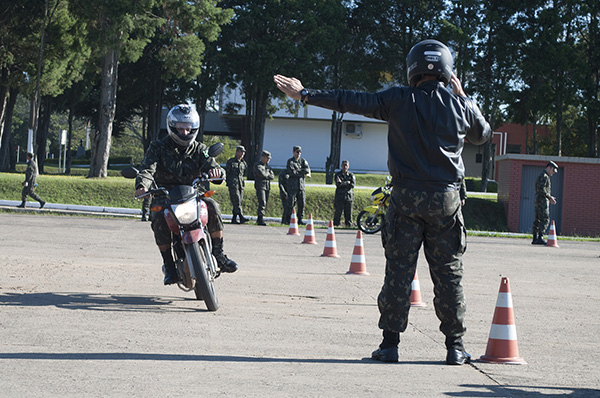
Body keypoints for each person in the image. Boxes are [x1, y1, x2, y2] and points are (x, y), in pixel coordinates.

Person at [274, 38, 491, 365]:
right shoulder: (460, 106)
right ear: (448, 71)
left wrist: (306, 94)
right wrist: (462, 96)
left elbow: (351, 100)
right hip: (445, 200)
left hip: (405, 198)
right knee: (449, 274)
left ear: (413, 69)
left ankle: (390, 345)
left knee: (398, 273)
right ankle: (455, 347)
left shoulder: (398, 99)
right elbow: (483, 133)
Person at [135, 104, 238, 285]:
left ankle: (219, 254)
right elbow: (147, 169)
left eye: (188, 128)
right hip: (165, 195)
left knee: (213, 206)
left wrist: (216, 172)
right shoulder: (157, 147)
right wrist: (142, 186)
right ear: (172, 127)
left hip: (193, 194)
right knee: (158, 215)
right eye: (180, 128)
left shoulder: (199, 149)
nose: (184, 132)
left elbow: (211, 163)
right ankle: (168, 265)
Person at [532, 161, 558, 244]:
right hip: (542, 200)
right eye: (553, 170)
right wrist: (549, 197)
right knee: (545, 219)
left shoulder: (543, 176)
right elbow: (541, 189)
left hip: (539, 199)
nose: (553, 173)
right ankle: (540, 236)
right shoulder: (544, 176)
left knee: (538, 219)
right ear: (549, 167)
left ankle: (535, 238)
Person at [285, 146, 311, 225]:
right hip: (292, 186)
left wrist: (298, 171)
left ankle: (300, 219)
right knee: (291, 203)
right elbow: (291, 171)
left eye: (299, 152)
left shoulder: (303, 161)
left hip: (301, 186)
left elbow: (307, 170)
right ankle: (288, 219)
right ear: (293, 152)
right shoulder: (290, 161)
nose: (298, 154)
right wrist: (301, 171)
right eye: (297, 152)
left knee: (301, 204)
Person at [225, 145, 249, 224]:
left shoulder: (243, 163)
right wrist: (228, 183)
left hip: (240, 183)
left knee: (238, 201)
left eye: (244, 152)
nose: (242, 154)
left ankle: (234, 218)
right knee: (237, 200)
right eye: (241, 152)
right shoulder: (231, 161)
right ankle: (241, 216)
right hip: (233, 183)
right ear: (237, 152)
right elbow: (227, 173)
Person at [253, 150, 275, 225]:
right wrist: (267, 174)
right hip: (260, 186)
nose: (268, 160)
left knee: (265, 202)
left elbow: (272, 176)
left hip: (267, 186)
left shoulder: (267, 166)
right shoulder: (258, 165)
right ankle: (260, 218)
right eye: (267, 158)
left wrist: (267, 175)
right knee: (262, 202)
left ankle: (261, 217)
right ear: (263, 157)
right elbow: (262, 174)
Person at [333, 160, 356, 227]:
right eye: (343, 165)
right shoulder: (338, 174)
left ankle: (348, 225)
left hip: (349, 196)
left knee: (348, 213)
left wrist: (343, 183)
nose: (345, 167)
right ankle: (336, 224)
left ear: (348, 166)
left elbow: (352, 185)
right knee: (338, 212)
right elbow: (338, 184)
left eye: (346, 165)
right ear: (341, 166)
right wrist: (347, 182)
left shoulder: (351, 175)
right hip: (339, 196)